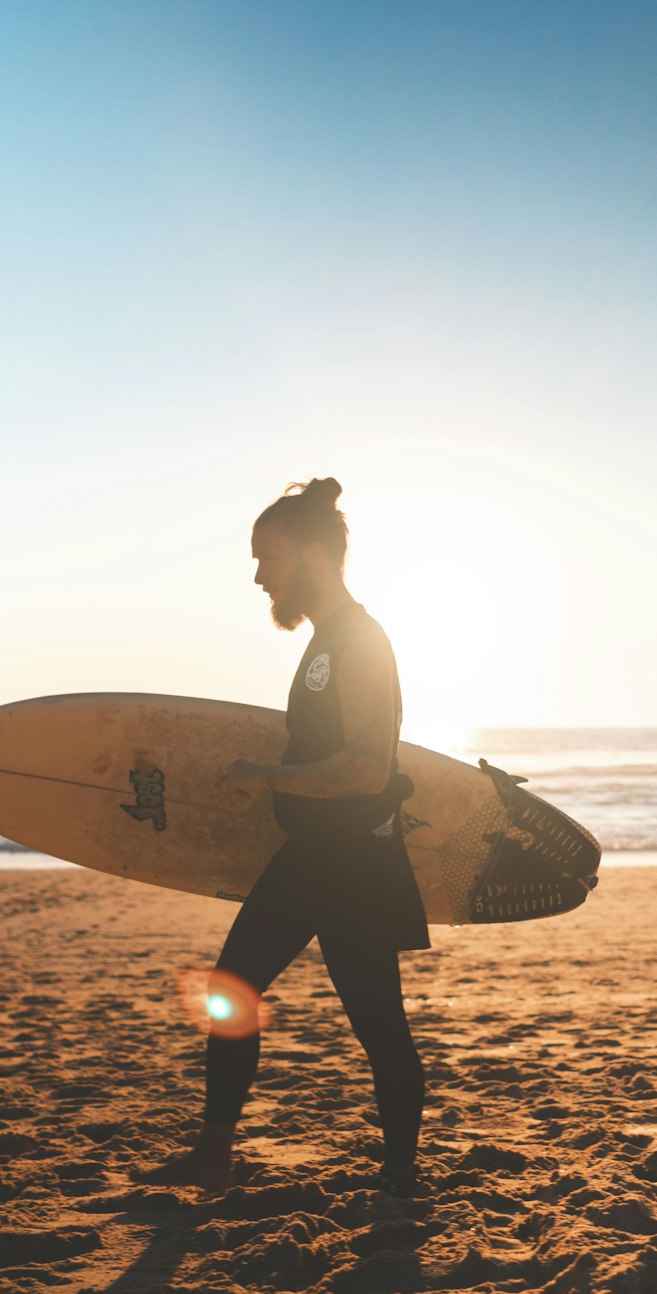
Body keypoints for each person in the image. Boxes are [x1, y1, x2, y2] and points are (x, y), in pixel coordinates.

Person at [147, 478, 430, 1198]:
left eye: (267, 557)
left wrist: (264, 776)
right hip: (312, 857)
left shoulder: (361, 642)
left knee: (378, 1026)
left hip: (356, 864)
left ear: (309, 553)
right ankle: (214, 1155)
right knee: (233, 989)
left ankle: (401, 1172)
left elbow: (368, 768)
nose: (258, 575)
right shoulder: (327, 643)